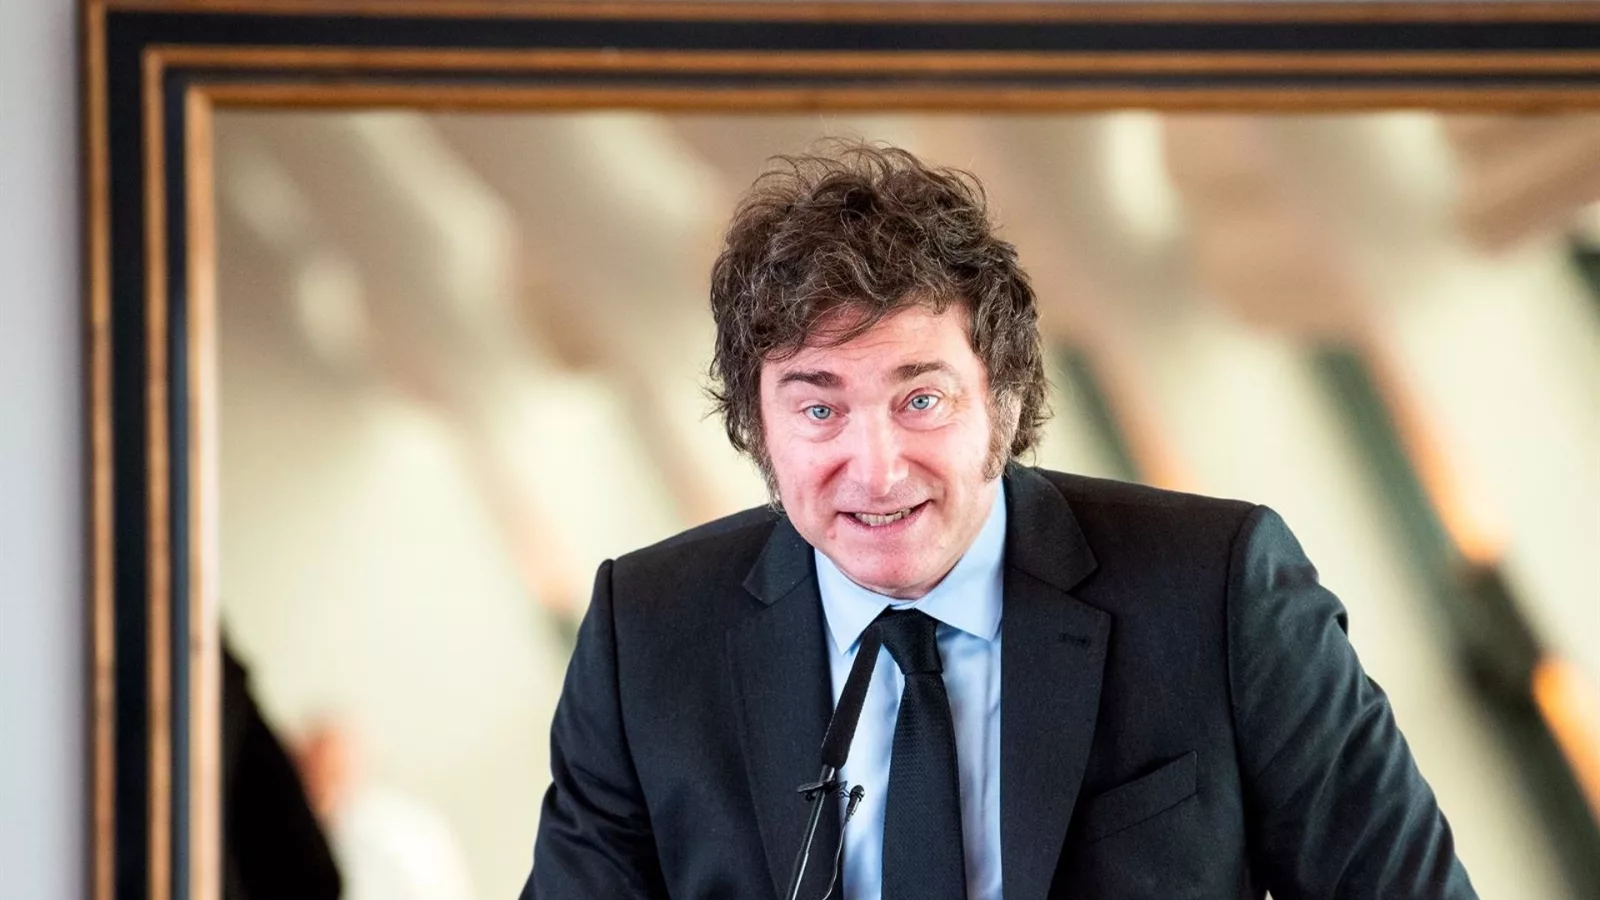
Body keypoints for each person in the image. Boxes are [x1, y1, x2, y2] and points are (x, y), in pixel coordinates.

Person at [523, 143, 1476, 899]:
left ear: (1007, 402)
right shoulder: (645, 637)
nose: (876, 467)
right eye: (818, 409)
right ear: (755, 427)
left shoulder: (1220, 590)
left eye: (922, 399)